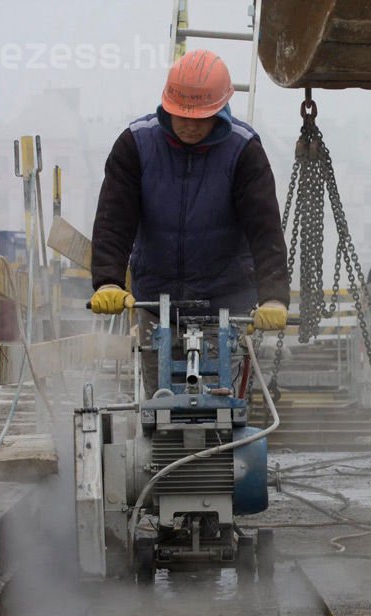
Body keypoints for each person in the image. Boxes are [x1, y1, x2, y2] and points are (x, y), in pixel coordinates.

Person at [89, 49, 290, 394]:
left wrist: (274, 296)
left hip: (224, 306)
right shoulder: (135, 145)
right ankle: (162, 446)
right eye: (183, 115)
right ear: (167, 105)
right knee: (160, 403)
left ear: (221, 110)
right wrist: (108, 281)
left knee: (220, 407)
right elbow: (114, 219)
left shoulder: (243, 151)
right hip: (155, 305)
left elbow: (264, 227)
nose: (190, 125)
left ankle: (221, 447)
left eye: (202, 117)